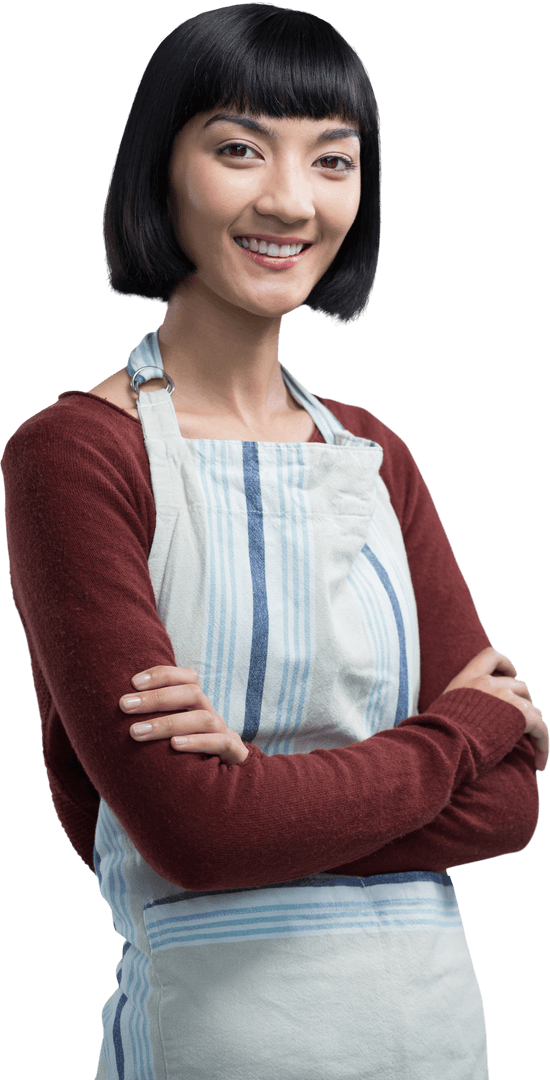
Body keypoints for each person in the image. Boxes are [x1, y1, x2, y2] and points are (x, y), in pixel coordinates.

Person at [1, 4, 547, 1079]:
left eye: (332, 160)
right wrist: (453, 737)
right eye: (239, 149)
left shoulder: (378, 456)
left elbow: (515, 804)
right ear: (158, 169)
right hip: (220, 1043)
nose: (290, 200)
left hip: (440, 1036)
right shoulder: (74, 456)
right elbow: (193, 836)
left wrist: (255, 800)